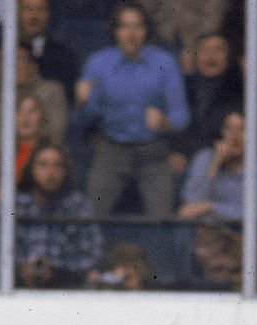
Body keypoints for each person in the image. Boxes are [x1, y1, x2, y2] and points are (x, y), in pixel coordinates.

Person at [76, 2, 190, 218]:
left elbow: (181, 116)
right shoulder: (98, 63)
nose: (131, 34)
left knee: (162, 222)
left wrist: (165, 123)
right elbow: (85, 119)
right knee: (91, 216)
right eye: (125, 27)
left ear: (146, 30)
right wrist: (82, 102)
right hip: (112, 149)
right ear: (115, 31)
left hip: (153, 152)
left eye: (138, 27)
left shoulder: (164, 63)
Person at [0, 142, 104, 287]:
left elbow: (93, 254)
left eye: (58, 165)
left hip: (65, 289)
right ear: (31, 169)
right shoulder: (13, 205)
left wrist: (56, 270)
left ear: (66, 171)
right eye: (43, 165)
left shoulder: (78, 206)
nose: (51, 172)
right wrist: (19, 268)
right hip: (15, 288)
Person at [0, 40, 67, 211]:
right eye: (5, 60)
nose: (13, 65)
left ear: (33, 65)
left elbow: (55, 131)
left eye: (20, 59)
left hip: (33, 158)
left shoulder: (50, 91)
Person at [167, 32, 242, 176]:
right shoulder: (184, 86)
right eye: (204, 50)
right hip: (184, 158)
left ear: (228, 57)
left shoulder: (239, 87)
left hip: (223, 159)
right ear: (195, 56)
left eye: (217, 50)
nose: (210, 56)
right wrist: (175, 150)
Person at [177, 109, 257, 221]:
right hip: (208, 232)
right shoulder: (205, 158)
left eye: (242, 129)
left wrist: (210, 207)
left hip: (244, 235)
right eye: (229, 128)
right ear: (221, 132)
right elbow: (190, 205)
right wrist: (215, 164)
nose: (235, 136)